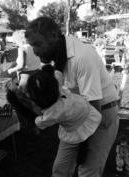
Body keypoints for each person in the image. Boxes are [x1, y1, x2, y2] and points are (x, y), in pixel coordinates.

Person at [25, 16, 120, 177]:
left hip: (100, 114)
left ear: (54, 36)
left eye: (38, 44)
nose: (35, 51)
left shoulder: (81, 57)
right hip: (76, 112)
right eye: (32, 45)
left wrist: (83, 147)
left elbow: (94, 109)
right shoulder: (58, 55)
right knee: (60, 169)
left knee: (87, 171)